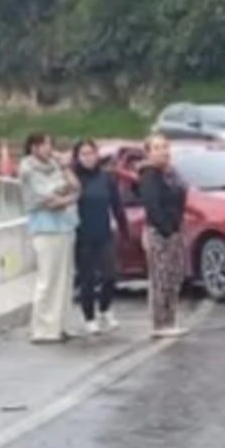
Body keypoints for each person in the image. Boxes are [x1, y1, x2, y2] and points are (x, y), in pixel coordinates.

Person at [19, 132, 79, 344]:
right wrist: (67, 196)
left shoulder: (55, 165)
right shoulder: (28, 169)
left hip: (65, 226)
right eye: (45, 144)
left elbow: (75, 186)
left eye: (50, 144)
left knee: (65, 279)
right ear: (34, 147)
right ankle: (43, 328)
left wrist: (65, 167)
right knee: (48, 279)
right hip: (45, 228)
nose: (49, 148)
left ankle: (61, 325)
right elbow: (48, 198)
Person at [71, 139, 129, 335]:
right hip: (82, 235)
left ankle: (105, 308)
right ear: (77, 157)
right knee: (87, 279)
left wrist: (124, 229)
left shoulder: (106, 178)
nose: (88, 158)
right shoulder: (74, 179)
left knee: (110, 275)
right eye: (83, 154)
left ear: (97, 155)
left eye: (91, 153)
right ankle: (89, 317)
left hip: (104, 233)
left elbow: (117, 206)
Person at [138, 133, 189, 338]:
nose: (162, 152)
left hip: (176, 231)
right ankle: (160, 322)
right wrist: (166, 229)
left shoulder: (172, 174)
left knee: (174, 276)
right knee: (161, 278)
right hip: (160, 233)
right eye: (157, 148)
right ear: (148, 153)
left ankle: (171, 319)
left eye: (165, 147)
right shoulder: (149, 176)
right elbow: (152, 206)